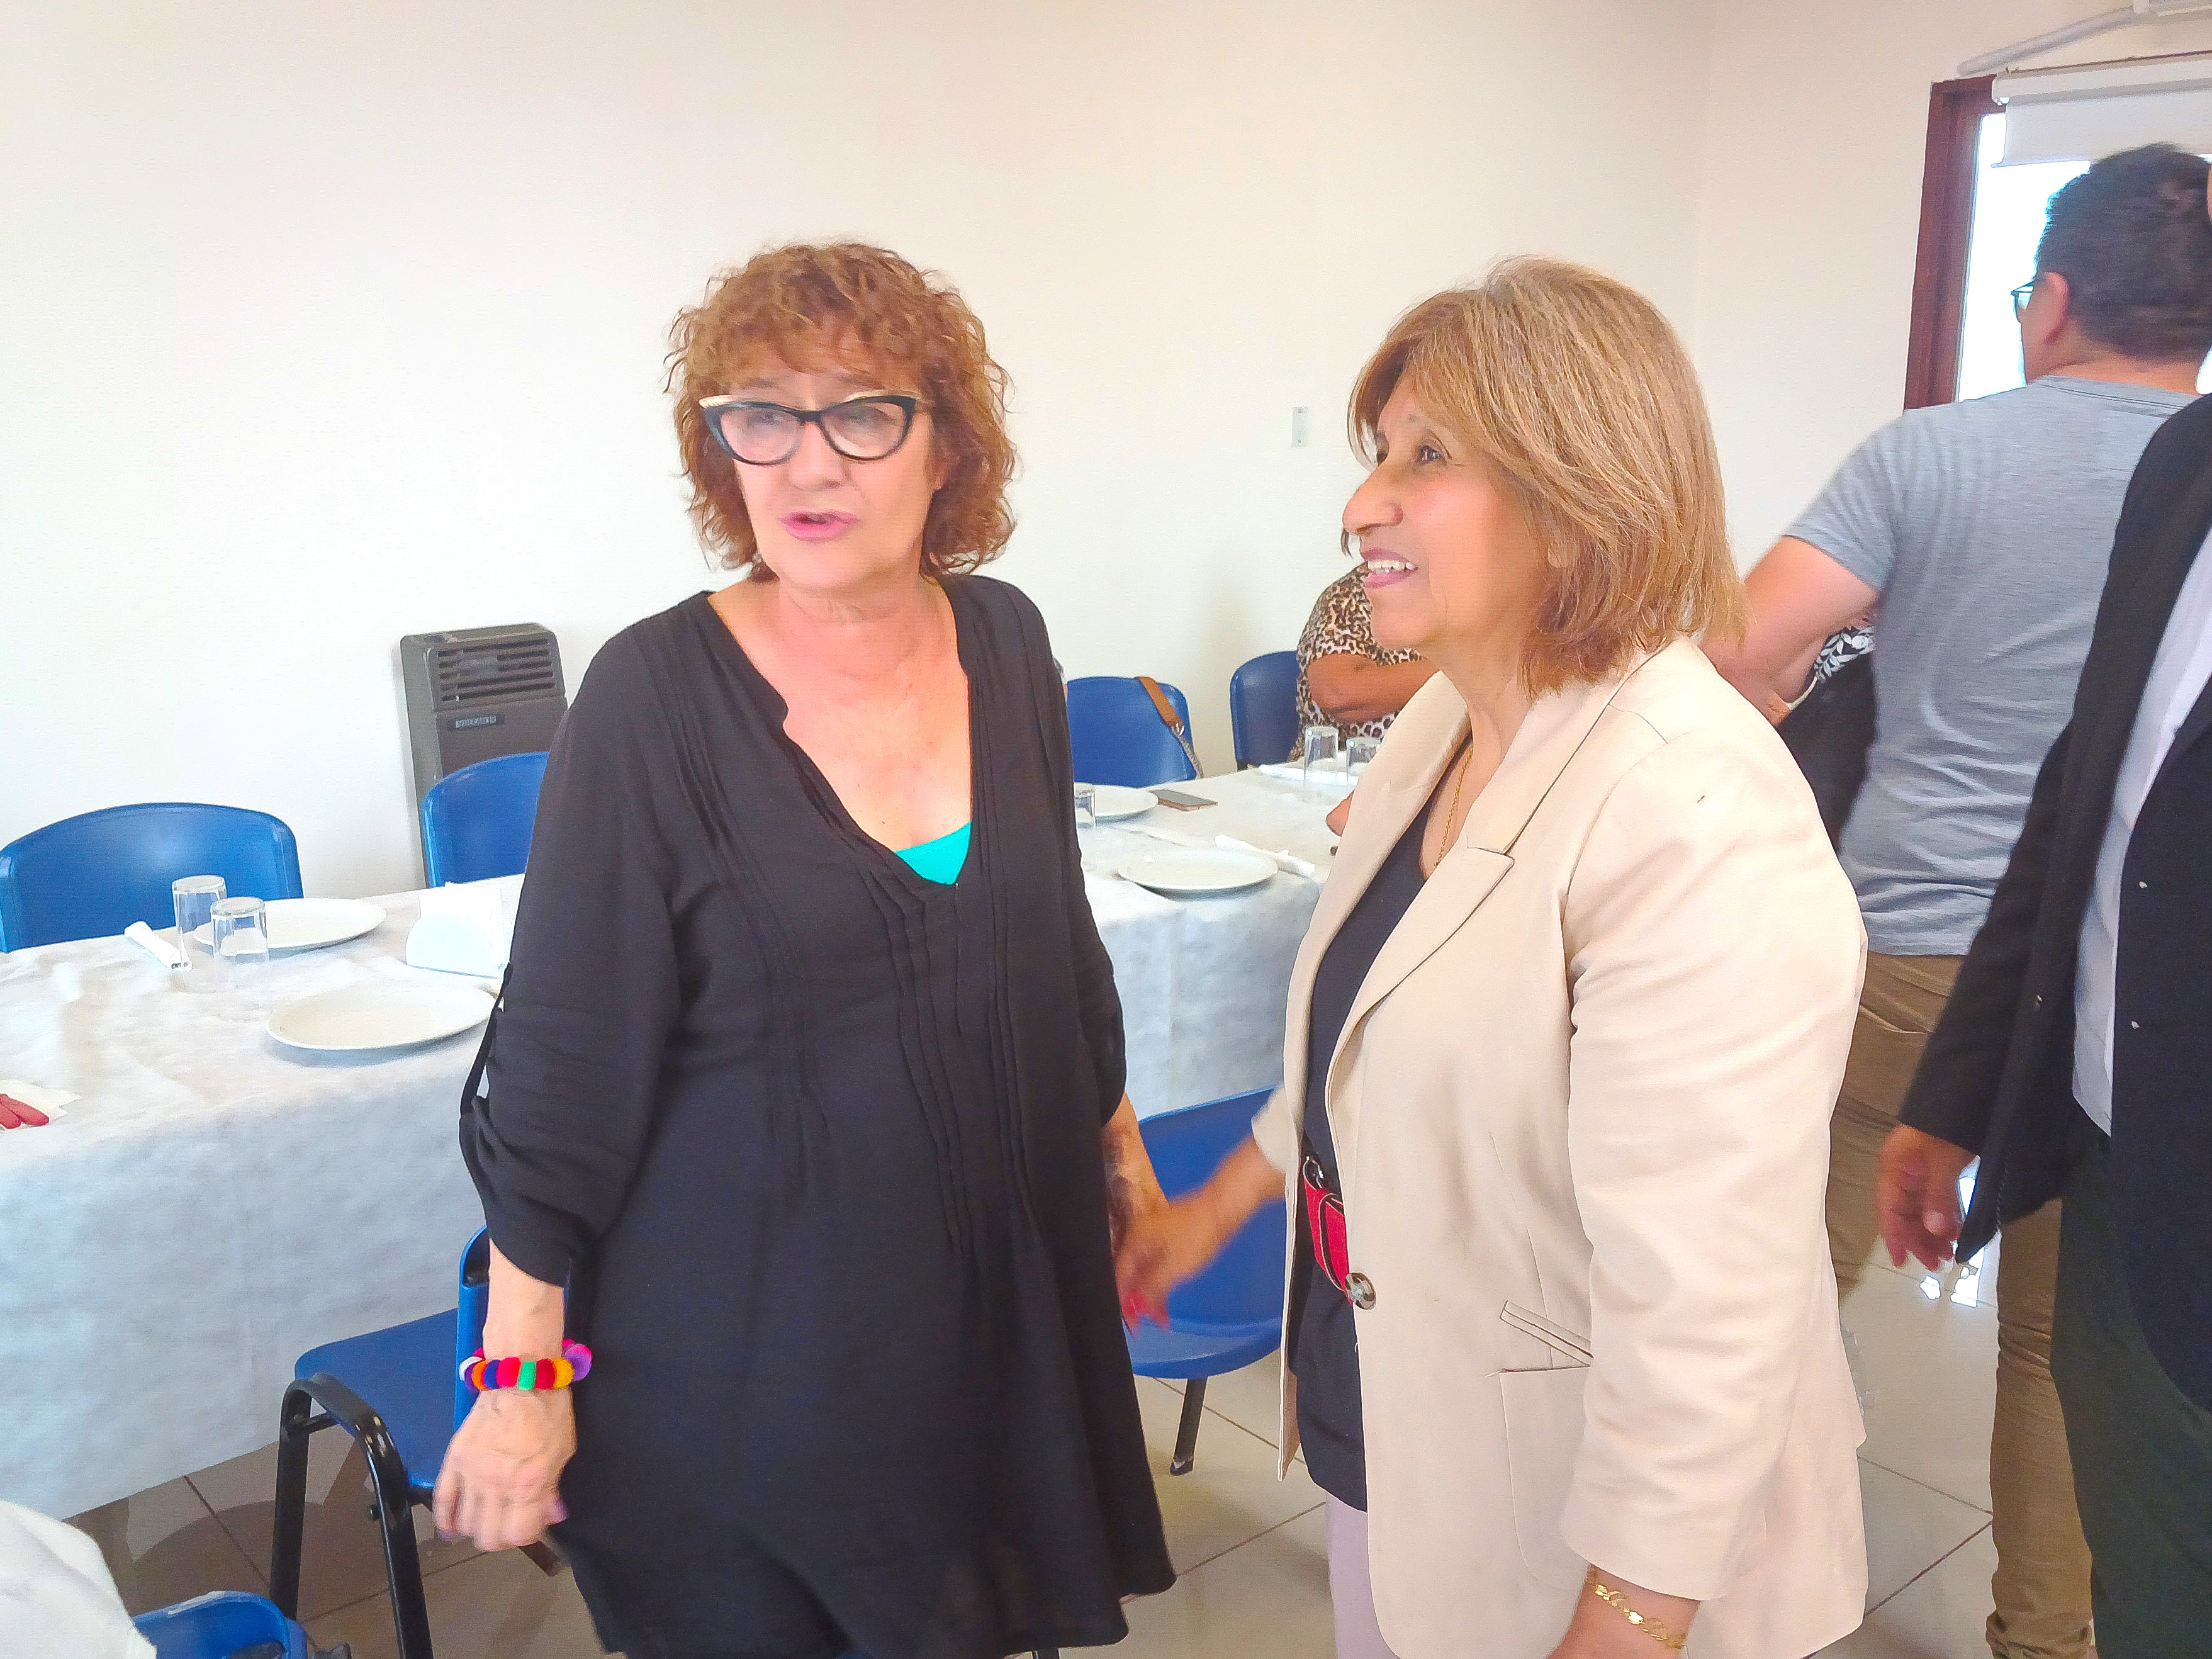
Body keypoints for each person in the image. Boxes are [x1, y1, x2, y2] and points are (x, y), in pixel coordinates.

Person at [430, 242, 1176, 1659]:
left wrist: (1118, 1147)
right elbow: (562, 1063)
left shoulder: (1005, 639)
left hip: (987, 1322)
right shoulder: (650, 698)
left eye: (862, 413)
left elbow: (1051, 946)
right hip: (753, 1360)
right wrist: (521, 1376)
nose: (808, 463)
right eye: (762, 416)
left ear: (946, 448)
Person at [1120, 259, 1868, 1658]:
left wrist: (1627, 1620)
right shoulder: (1442, 725)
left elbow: (1708, 1306)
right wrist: (1208, 1213)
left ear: (1578, 495)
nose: (1361, 504)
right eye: (1378, 454)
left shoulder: (1693, 808)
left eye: (1427, 457)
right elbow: (1363, 1047)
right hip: (1405, 1411)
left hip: (1582, 1517)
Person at [1706, 143, 2212, 1659]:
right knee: (2062, 1351)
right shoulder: (2186, 470)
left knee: (1781, 1283)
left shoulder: (1927, 455)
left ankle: (1711, 1587)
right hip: (2112, 996)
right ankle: (2043, 1635)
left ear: (2050, 297)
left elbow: (1736, 649)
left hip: (1903, 947)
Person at [1880, 378, 2212, 1655]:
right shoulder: (2184, 463)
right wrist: (1960, 1086)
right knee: (2146, 1587)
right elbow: (2088, 798)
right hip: (2125, 1195)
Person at [1292, 566, 1439, 752]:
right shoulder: (1349, 597)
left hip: (1446, 761)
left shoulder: (1453, 594)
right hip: (1356, 766)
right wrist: (1454, 670)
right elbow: (1337, 693)